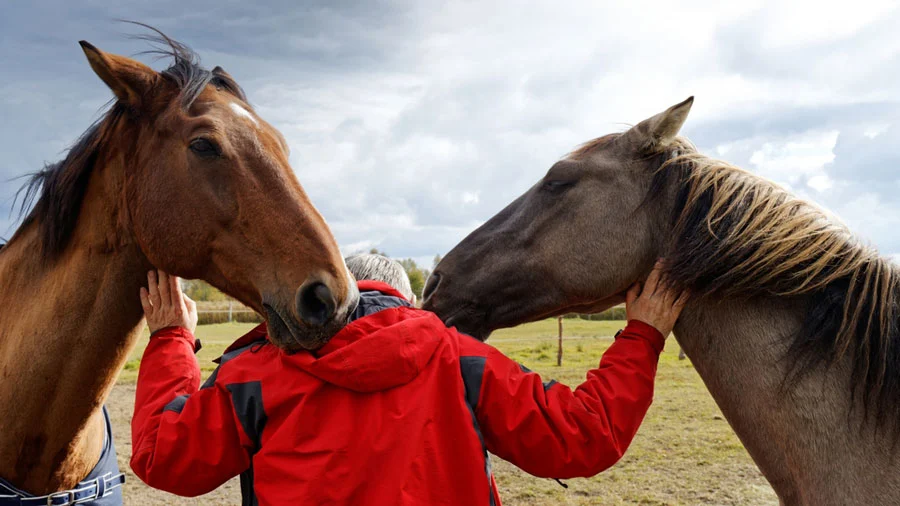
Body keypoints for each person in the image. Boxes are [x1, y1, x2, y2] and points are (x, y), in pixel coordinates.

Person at [131, 257, 686, 505]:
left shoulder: (259, 372)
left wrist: (170, 338)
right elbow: (582, 435)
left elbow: (165, 454)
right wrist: (641, 336)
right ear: (406, 300)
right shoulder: (458, 360)